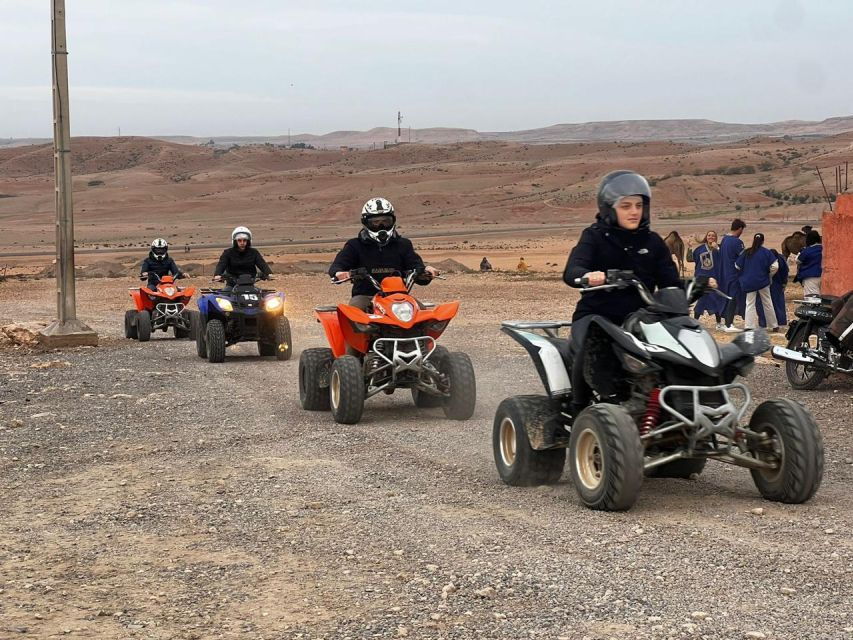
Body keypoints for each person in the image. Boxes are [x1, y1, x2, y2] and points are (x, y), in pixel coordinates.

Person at [563, 170, 681, 420]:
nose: (634, 211)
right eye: (626, 206)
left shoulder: (653, 242)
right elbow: (572, 270)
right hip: (597, 315)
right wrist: (589, 275)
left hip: (640, 318)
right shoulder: (594, 236)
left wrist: (698, 284)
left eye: (639, 205)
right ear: (609, 208)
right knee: (591, 344)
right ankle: (578, 408)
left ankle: (672, 407)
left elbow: (671, 281)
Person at [329, 197, 439, 311]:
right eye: (375, 222)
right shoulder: (355, 245)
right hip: (366, 296)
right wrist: (340, 273)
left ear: (393, 220)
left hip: (399, 297)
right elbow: (337, 266)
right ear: (366, 223)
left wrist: (426, 272)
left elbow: (416, 267)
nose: (381, 226)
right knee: (354, 316)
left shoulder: (403, 244)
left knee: (423, 316)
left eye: (386, 221)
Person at [735, 233, 779, 331]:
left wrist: (744, 274)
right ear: (763, 241)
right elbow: (775, 266)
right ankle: (773, 325)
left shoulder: (747, 252)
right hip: (763, 281)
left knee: (750, 303)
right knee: (767, 302)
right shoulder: (766, 252)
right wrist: (769, 275)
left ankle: (749, 326)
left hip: (749, 282)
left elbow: (737, 266)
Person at [689, 230, 725, 330]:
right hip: (702, 279)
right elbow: (690, 259)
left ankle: (718, 323)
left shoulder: (719, 248)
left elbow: (724, 259)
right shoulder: (700, 249)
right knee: (701, 301)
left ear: (716, 238)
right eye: (709, 235)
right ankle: (695, 323)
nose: (711, 237)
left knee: (716, 300)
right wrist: (689, 248)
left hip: (715, 279)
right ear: (706, 237)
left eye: (713, 236)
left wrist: (717, 248)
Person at [718, 218, 747, 332]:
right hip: (734, 274)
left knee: (729, 297)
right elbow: (743, 258)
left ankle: (728, 322)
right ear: (739, 228)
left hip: (725, 274)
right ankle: (729, 324)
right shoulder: (737, 242)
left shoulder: (724, 239)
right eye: (742, 230)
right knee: (733, 298)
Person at [757, 248, 788, 330]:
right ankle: (780, 322)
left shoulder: (765, 259)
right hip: (778, 284)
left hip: (765, 284)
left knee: (764, 304)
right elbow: (785, 272)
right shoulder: (780, 259)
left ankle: (763, 323)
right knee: (778, 304)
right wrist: (784, 283)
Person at [795, 229, 822, 297]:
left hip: (811, 278)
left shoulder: (807, 251)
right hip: (824, 276)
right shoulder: (824, 248)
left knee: (812, 300)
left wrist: (800, 252)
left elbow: (798, 261)